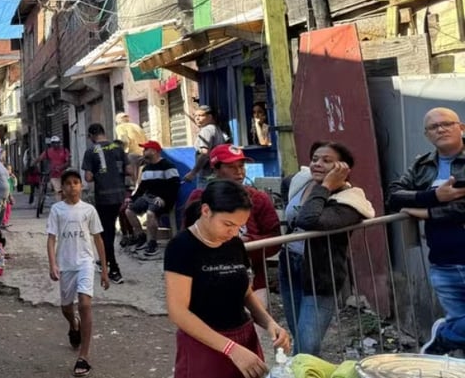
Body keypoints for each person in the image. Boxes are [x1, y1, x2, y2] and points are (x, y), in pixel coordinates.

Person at [165, 180, 290, 378]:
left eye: (239, 227)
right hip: (205, 343)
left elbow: (245, 293)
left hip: (244, 337)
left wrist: (269, 323)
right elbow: (178, 312)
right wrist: (230, 348)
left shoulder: (234, 244)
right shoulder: (181, 246)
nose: (233, 233)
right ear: (206, 211)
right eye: (228, 224)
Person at [279, 142, 374, 356]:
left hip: (320, 275)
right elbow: (291, 207)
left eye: (326, 160)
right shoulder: (300, 182)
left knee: (307, 344)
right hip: (290, 266)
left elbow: (309, 219)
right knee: (299, 336)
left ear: (342, 168)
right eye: (314, 159)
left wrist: (326, 186)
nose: (317, 164)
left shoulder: (351, 201)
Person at [387, 107, 465, 355]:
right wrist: (432, 196)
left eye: (447, 124)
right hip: (444, 261)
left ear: (461, 127)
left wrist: (428, 212)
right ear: (426, 134)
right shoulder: (423, 166)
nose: (441, 129)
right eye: (434, 127)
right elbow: (394, 195)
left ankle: (443, 337)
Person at [185, 145, 281, 309]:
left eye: (241, 166)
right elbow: (188, 237)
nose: (239, 172)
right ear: (216, 169)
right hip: (210, 278)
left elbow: (274, 237)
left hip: (253, 280)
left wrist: (248, 243)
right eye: (231, 167)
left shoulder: (258, 198)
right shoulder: (200, 198)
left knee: (252, 328)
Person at [46, 169, 110, 377]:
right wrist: (52, 264)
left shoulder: (89, 210)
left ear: (81, 186)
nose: (72, 186)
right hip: (65, 265)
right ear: (62, 188)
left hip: (85, 262)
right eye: (68, 183)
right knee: (66, 307)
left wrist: (104, 269)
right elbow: (51, 239)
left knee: (84, 303)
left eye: (76, 182)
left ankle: (84, 356)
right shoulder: (57, 210)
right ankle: (73, 324)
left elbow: (98, 238)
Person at [81, 124, 127, 284]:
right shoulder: (118, 147)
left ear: (92, 135)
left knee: (104, 233)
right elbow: (128, 170)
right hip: (120, 196)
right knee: (110, 230)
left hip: (103, 197)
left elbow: (87, 177)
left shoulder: (91, 151)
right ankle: (105, 259)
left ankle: (114, 269)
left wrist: (99, 176)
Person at [123, 141, 181, 259]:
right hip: (148, 197)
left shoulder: (168, 165)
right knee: (128, 211)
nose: (143, 152)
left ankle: (152, 243)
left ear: (154, 151)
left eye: (146, 149)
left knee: (151, 213)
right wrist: (132, 199)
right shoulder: (146, 169)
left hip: (164, 199)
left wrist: (165, 199)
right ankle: (141, 236)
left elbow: (174, 185)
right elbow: (142, 187)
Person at [183, 106, 228, 186]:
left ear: (210, 117)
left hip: (207, 175)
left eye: (200, 115)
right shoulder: (216, 129)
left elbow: (204, 154)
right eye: (195, 115)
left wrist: (193, 173)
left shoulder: (206, 130)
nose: (197, 118)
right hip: (216, 174)